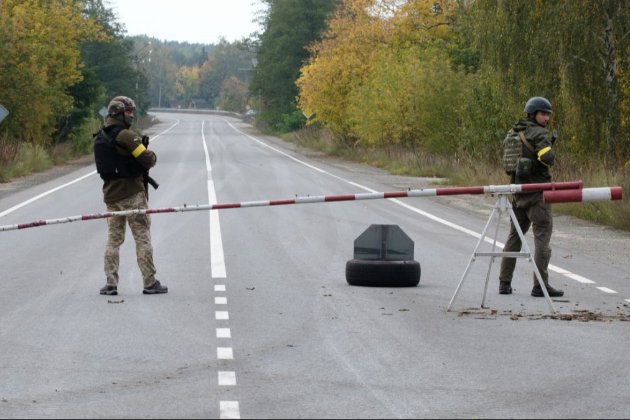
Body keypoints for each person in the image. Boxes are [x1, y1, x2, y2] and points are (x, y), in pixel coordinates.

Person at [98, 96, 167, 296]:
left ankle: (110, 284)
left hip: (111, 197)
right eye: (129, 112)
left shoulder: (101, 136)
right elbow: (148, 159)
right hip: (133, 195)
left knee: (113, 240)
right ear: (119, 113)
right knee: (142, 238)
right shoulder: (127, 136)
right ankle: (149, 282)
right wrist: (148, 152)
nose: (131, 115)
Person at [498, 96, 564, 298]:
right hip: (537, 195)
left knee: (514, 237)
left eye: (548, 115)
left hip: (517, 192)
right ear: (533, 114)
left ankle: (504, 283)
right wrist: (550, 146)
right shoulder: (539, 133)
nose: (546, 118)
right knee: (542, 237)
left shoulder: (514, 131)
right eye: (544, 114)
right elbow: (548, 158)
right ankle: (540, 285)